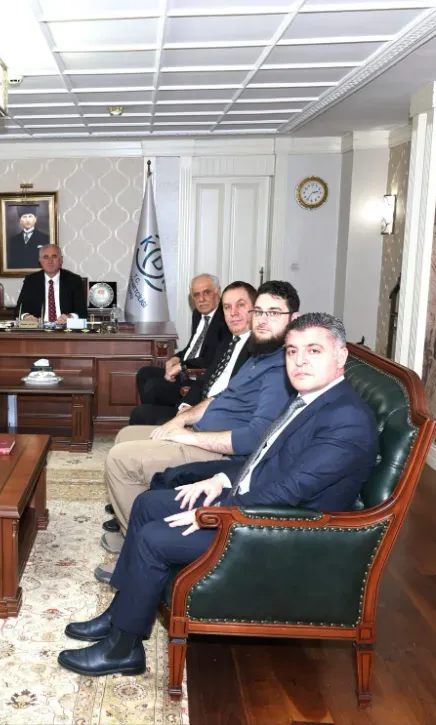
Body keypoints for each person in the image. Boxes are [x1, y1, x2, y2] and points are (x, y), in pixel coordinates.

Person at [58, 312, 379, 678]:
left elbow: (288, 491)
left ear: (340, 356)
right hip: (255, 505)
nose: (300, 361)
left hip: (283, 533)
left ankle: (123, 649)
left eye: (313, 350)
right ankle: (121, 613)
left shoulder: (346, 419)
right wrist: (220, 480)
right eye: (292, 351)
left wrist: (214, 513)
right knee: (147, 504)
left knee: (153, 538)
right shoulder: (310, 398)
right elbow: (264, 461)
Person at [101, 281, 300, 554]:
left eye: (273, 313)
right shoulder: (259, 356)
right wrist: (181, 420)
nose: (263, 320)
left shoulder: (281, 369)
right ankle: (139, 520)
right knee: (125, 436)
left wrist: (189, 437)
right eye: (259, 312)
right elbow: (218, 397)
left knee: (120, 459)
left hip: (222, 454)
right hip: (200, 433)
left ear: (293, 319)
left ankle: (134, 547)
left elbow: (255, 439)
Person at [128, 281, 256, 426]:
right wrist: (185, 406)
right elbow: (203, 378)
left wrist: (190, 415)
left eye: (240, 305)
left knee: (152, 392)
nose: (233, 313)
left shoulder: (257, 349)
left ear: (255, 308)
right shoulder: (228, 342)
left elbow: (235, 394)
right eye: (227, 307)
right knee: (140, 408)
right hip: (198, 405)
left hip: (217, 415)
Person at [136, 273, 229, 406]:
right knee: (144, 373)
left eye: (207, 292)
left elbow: (211, 359)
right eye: (196, 295)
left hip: (199, 377)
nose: (201, 299)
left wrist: (181, 366)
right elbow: (193, 347)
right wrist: (176, 358)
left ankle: (161, 415)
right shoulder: (198, 314)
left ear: (217, 292)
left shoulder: (225, 320)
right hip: (185, 371)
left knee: (153, 386)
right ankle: (155, 414)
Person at [14, 244, 87, 324]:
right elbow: (19, 309)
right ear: (40, 260)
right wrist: (26, 316)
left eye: (54, 256)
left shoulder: (74, 280)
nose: (50, 261)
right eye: (46, 257)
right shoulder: (31, 281)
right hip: (39, 328)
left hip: (64, 328)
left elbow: (82, 312)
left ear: (61, 259)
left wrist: (70, 317)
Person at [6, 205, 50, 269]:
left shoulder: (45, 238)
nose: (27, 220)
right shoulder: (14, 240)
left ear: (35, 219)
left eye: (30, 216)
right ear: (20, 221)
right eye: (24, 217)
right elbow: (11, 263)